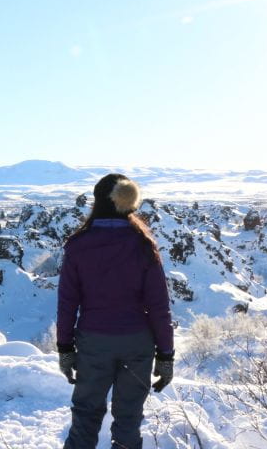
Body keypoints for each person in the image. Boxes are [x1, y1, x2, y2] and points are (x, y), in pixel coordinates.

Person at [57, 173, 175, 449]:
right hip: (137, 342)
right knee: (129, 420)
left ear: (97, 202)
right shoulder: (144, 245)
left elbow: (67, 304)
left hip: (93, 341)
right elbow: (159, 307)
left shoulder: (78, 245)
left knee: (85, 416)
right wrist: (166, 355)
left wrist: (65, 348)